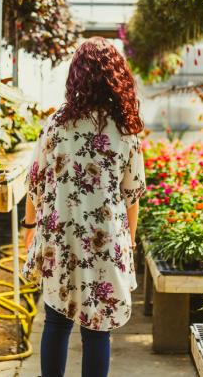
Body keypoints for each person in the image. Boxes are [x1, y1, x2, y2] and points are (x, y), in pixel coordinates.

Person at [22, 36, 146, 377]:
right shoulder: (125, 127)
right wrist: (129, 241)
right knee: (97, 328)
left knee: (56, 322)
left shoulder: (58, 122)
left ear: (76, 75)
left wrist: (31, 228)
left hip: (61, 238)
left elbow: (34, 180)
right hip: (105, 241)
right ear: (115, 76)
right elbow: (132, 193)